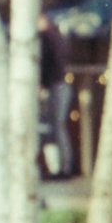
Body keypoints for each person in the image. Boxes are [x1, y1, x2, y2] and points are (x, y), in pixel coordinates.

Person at [39, 12, 74, 178]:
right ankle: (62, 167)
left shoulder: (48, 37)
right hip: (57, 84)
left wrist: (43, 83)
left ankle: (62, 167)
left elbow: (50, 64)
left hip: (55, 85)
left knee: (56, 127)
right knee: (56, 127)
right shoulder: (56, 36)